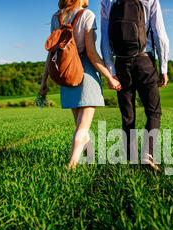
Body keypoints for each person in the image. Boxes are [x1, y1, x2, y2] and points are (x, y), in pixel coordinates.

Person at [40, 0, 122, 170]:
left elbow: (51, 52)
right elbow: (91, 53)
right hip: (85, 74)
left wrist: (44, 81)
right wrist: (109, 77)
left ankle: (91, 160)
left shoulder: (56, 18)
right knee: (82, 129)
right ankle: (71, 165)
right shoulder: (87, 15)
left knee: (81, 127)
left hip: (66, 74)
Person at [101, 0, 169, 172]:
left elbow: (105, 37)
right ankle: (148, 155)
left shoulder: (108, 1)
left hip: (121, 63)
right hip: (145, 60)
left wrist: (111, 70)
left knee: (127, 116)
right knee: (153, 111)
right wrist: (163, 68)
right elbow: (159, 34)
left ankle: (131, 161)